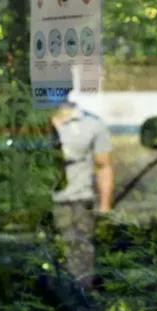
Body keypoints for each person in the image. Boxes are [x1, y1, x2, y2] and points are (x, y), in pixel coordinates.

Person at [50, 101, 113, 289]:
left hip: (78, 204)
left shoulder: (91, 123)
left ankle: (80, 304)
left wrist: (105, 206)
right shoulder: (29, 121)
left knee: (80, 264)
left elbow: (103, 165)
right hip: (41, 204)